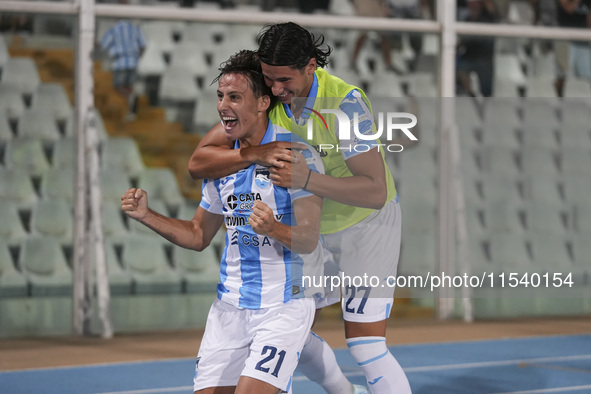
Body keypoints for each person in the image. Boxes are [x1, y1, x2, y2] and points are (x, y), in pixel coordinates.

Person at [187, 22, 411, 394]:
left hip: (366, 226)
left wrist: (306, 180)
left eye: (284, 81)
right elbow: (198, 162)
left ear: (310, 66)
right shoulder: (270, 96)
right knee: (293, 328)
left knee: (365, 345)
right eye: (269, 79)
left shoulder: (345, 104)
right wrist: (254, 153)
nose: (275, 90)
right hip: (312, 227)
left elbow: (374, 191)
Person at [122, 50, 324, 394]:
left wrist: (272, 228)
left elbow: (308, 239)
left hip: (283, 304)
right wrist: (146, 216)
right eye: (220, 96)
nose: (222, 105)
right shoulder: (222, 164)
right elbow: (199, 234)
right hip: (229, 309)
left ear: (262, 103)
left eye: (234, 97)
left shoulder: (298, 155)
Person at [100, 18, 146, 120]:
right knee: (130, 87)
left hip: (119, 63)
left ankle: (126, 108)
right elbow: (143, 46)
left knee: (119, 88)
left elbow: (104, 45)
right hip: (133, 63)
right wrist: (137, 56)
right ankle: (131, 106)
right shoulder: (135, 29)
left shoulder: (113, 30)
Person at [456, 0, 498, 97]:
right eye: (471, 3)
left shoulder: (488, 18)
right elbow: (463, 40)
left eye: (476, 3)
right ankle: (470, 94)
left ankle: (485, 103)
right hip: (469, 56)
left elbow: (491, 9)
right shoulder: (468, 20)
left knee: (486, 90)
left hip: (484, 58)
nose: (473, 5)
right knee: (457, 65)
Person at [350, 0, 402, 74]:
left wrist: (383, 7)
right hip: (364, 10)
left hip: (376, 11)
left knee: (384, 38)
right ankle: (353, 62)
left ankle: (389, 64)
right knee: (362, 36)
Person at [554, 0, 591, 97]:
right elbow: (568, 7)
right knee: (566, 76)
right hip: (565, 42)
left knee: (586, 77)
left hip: (583, 42)